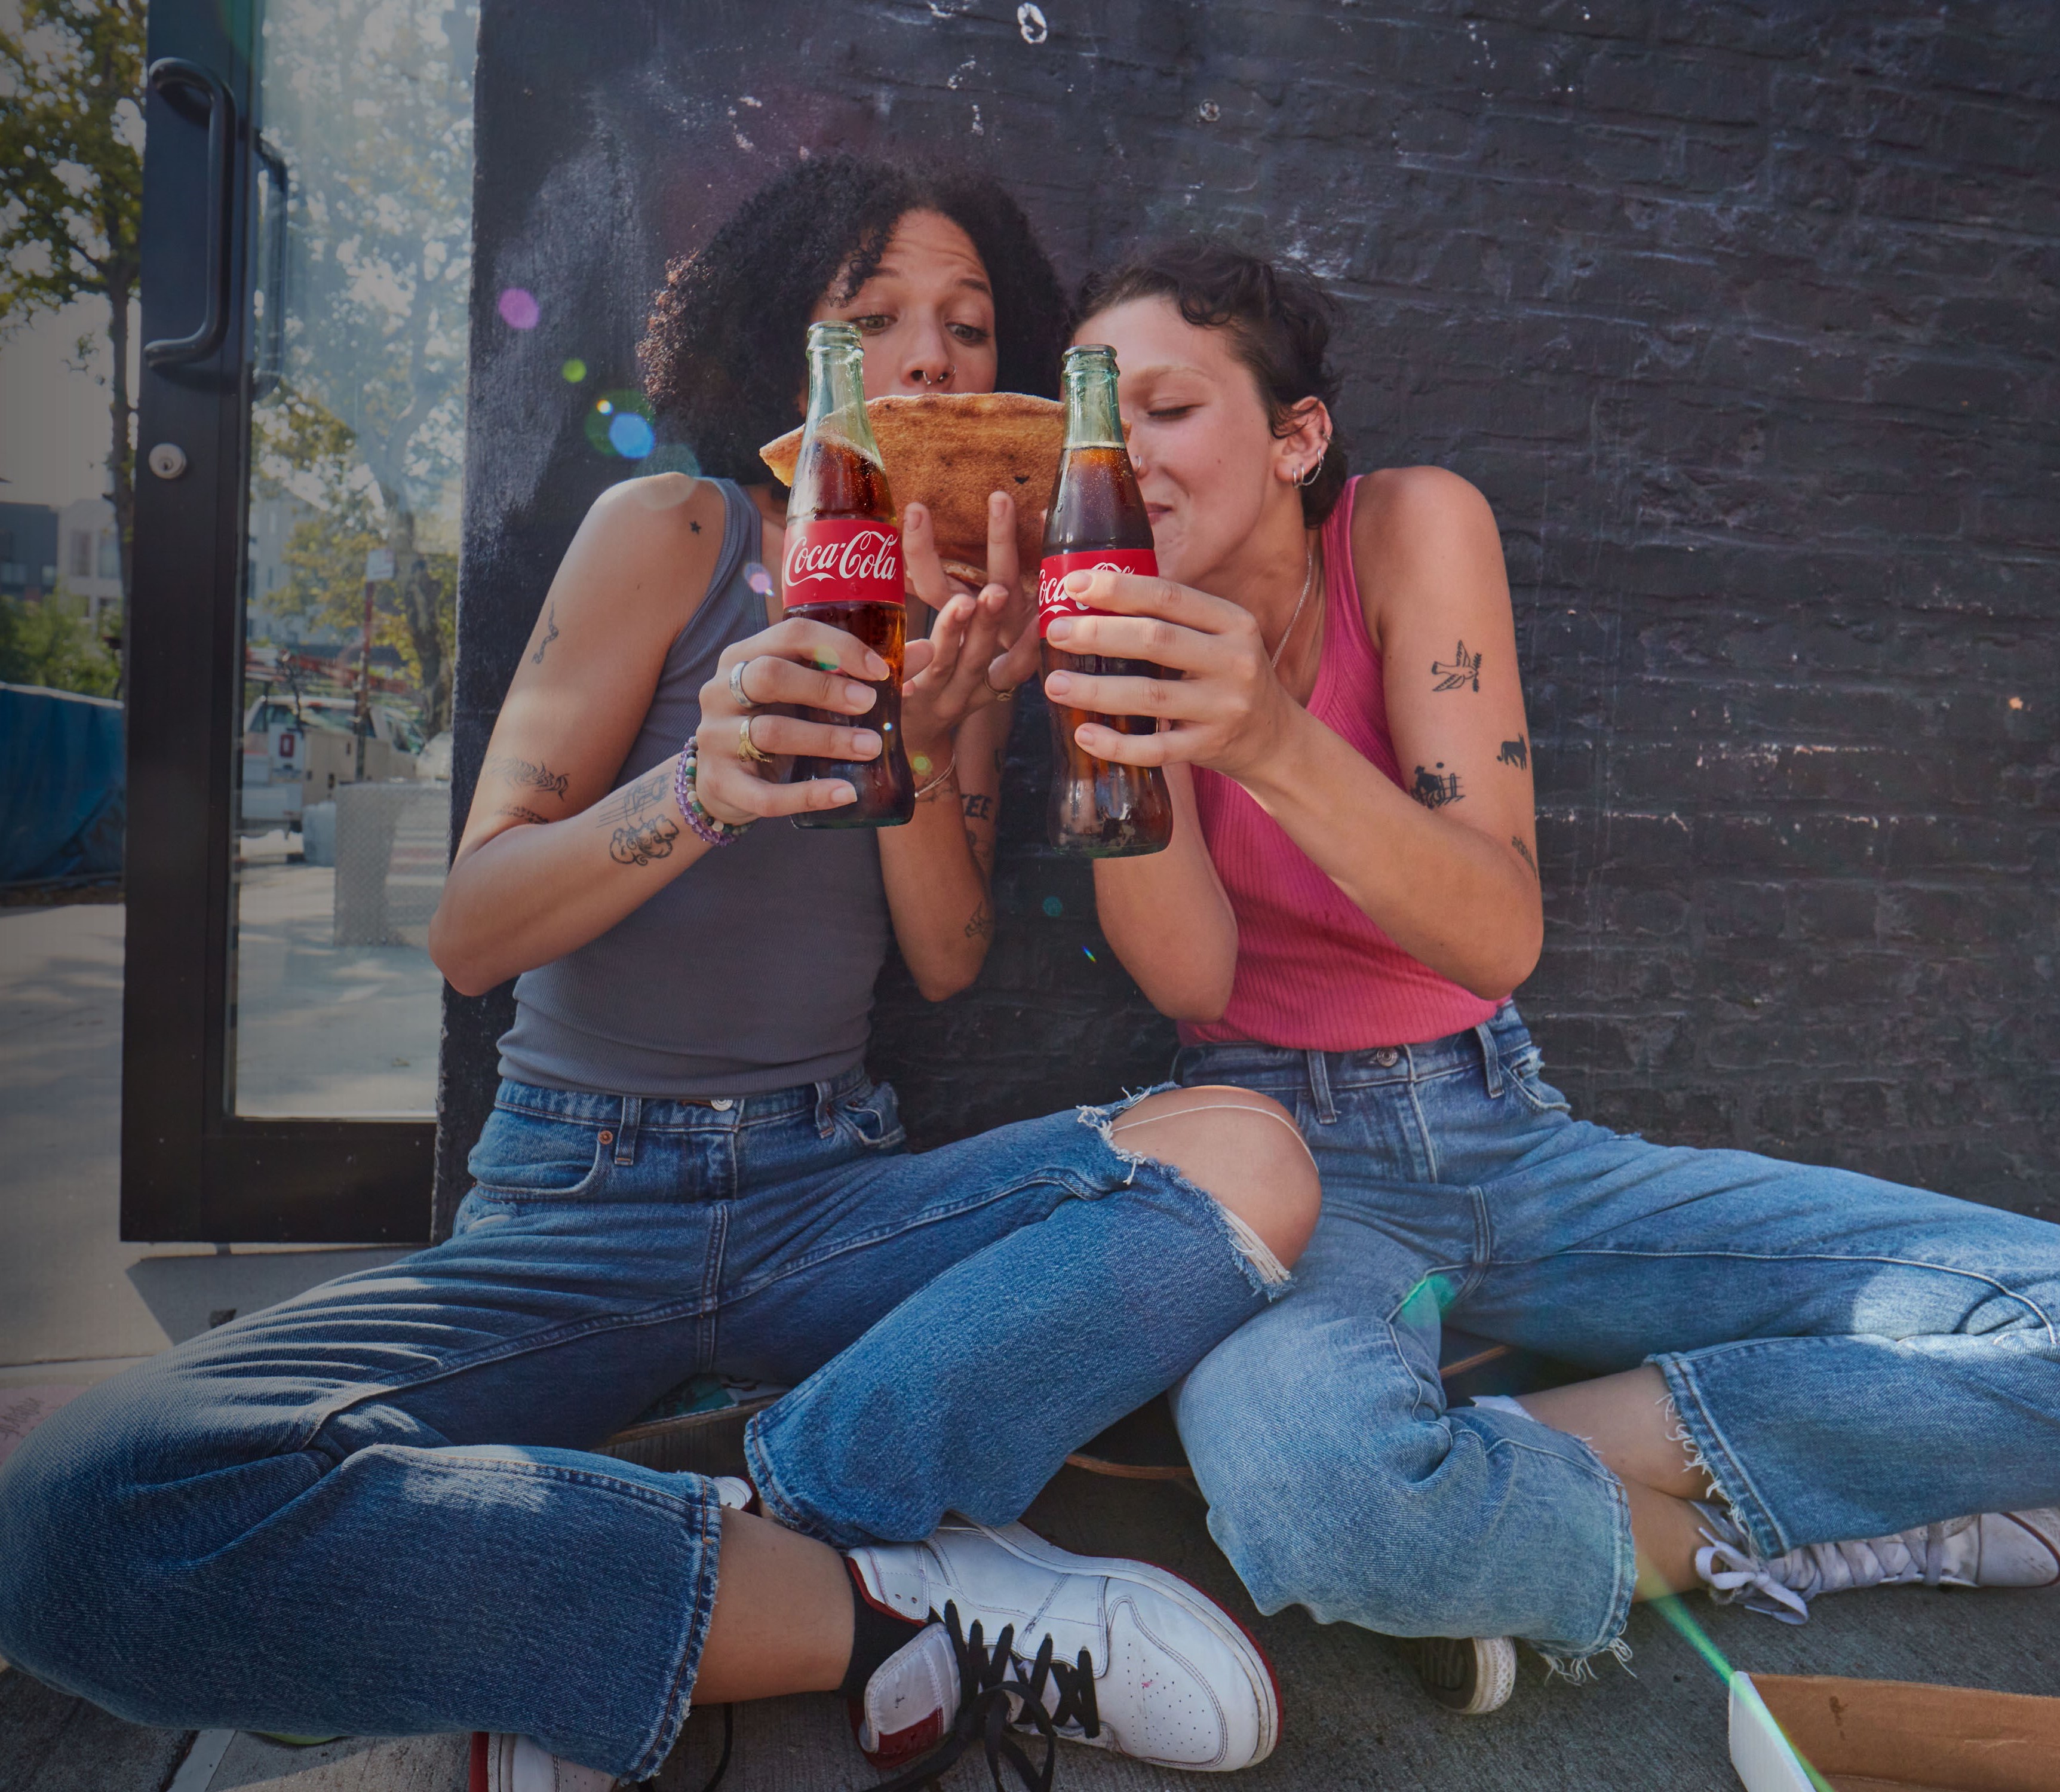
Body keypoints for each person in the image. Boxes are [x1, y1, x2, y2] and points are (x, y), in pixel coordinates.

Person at [0, 168, 1319, 1790]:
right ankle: (878, 1597)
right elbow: (470, 931)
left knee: (1245, 1154)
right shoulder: (676, 533)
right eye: (872, 321)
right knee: (80, 1514)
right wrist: (702, 784)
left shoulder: (973, 612)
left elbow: (950, 956)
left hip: (826, 1188)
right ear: (791, 351)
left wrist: (913, 742)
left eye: (968, 331)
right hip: (579, 1198)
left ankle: (712, 1528)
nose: (924, 359)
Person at [998, 238, 2060, 1704]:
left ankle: (1515, 1479)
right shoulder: (1107, 620)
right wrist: (1104, 713)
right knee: (1325, 1497)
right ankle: (1756, 1530)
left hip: (1501, 1129)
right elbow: (1191, 981)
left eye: (1162, 411)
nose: (1120, 461)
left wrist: (1269, 739)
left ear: (1298, 436)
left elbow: (1495, 934)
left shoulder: (1410, 528)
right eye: (1092, 432)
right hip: (1279, 1164)